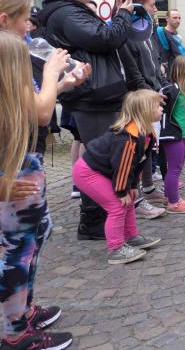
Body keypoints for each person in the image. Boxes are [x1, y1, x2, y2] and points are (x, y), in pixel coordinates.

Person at [38, 0, 133, 241]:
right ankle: (93, 222)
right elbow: (106, 39)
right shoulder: (67, 13)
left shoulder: (72, 11)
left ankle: (102, 219)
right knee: (99, 161)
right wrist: (122, 15)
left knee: (103, 158)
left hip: (97, 94)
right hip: (92, 96)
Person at [0, 31, 74, 350]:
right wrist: (50, 74)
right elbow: (42, 113)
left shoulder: (9, 103)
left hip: (21, 166)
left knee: (32, 240)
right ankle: (15, 334)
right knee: (16, 252)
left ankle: (22, 313)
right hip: (10, 181)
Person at [72, 89, 163, 263]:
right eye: (158, 106)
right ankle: (116, 249)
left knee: (129, 201)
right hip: (88, 172)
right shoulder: (127, 138)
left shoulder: (145, 133)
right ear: (145, 111)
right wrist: (121, 192)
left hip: (103, 170)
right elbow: (122, 167)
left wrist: (133, 187)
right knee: (117, 205)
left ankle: (131, 237)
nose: (161, 108)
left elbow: (138, 163)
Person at [114, 0, 169, 220]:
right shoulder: (126, 34)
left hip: (152, 93)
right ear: (137, 6)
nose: (155, 9)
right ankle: (136, 197)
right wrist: (150, 94)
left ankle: (148, 187)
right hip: (139, 98)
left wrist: (162, 86)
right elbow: (133, 72)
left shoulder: (148, 32)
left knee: (148, 144)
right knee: (137, 148)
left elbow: (155, 63)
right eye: (151, 5)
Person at [159, 55, 185, 214]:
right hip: (174, 136)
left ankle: (168, 195)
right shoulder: (172, 90)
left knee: (178, 167)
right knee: (174, 169)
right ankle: (174, 202)